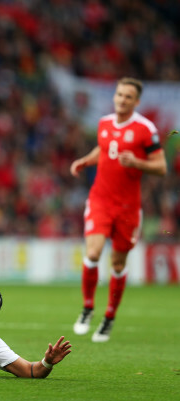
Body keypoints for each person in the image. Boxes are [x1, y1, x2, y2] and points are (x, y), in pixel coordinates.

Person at [70, 77, 167, 342]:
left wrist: (137, 161)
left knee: (118, 263)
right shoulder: (104, 123)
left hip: (128, 208)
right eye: (119, 94)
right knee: (92, 252)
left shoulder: (145, 129)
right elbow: (103, 149)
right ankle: (88, 307)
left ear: (136, 102)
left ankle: (109, 316)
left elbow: (160, 167)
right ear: (115, 96)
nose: (122, 99)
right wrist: (85, 161)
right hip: (100, 200)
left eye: (128, 97)